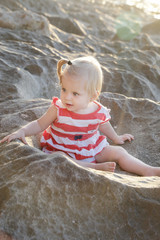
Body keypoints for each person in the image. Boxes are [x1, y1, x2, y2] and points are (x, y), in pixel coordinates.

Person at [0, 56, 160, 176]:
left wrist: (116, 138)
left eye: (75, 93)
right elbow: (40, 124)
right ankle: (93, 168)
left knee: (119, 153)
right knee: (59, 157)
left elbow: (103, 125)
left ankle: (148, 170)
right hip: (61, 147)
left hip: (90, 147)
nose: (67, 97)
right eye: (64, 90)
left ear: (92, 96)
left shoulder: (97, 110)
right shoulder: (58, 109)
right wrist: (22, 131)